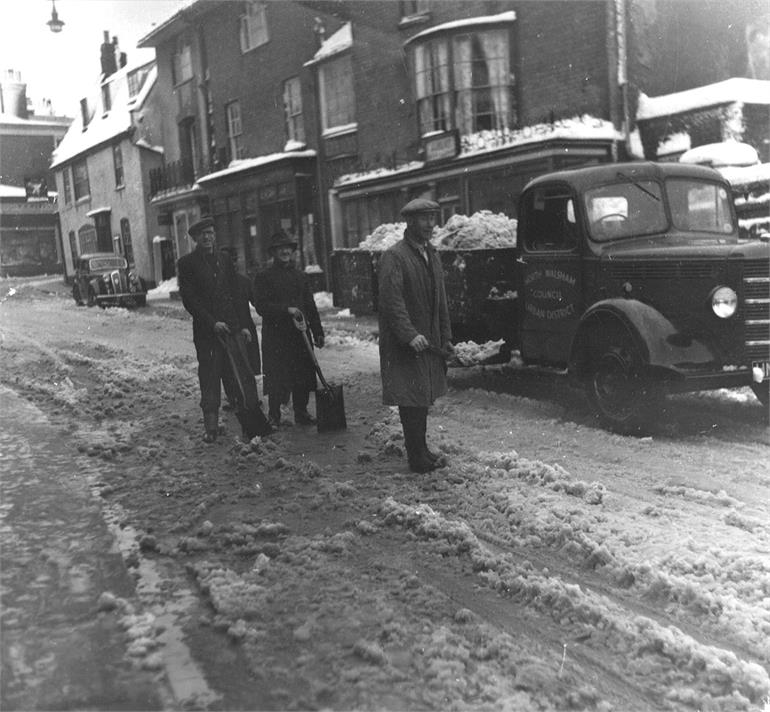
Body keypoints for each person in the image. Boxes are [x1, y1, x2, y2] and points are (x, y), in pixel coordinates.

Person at [377, 198, 452, 473]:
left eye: (433, 218)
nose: (431, 225)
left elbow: (440, 300)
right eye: (424, 219)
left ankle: (421, 449)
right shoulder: (394, 256)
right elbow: (391, 301)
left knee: (422, 396)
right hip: (405, 344)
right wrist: (409, 335)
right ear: (410, 222)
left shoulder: (431, 254)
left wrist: (446, 337)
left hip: (428, 341)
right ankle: (416, 456)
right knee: (411, 398)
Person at [177, 216, 255, 443]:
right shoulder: (187, 264)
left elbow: (235, 296)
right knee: (210, 377)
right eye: (203, 234)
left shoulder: (223, 259)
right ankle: (211, 427)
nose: (208, 237)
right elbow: (190, 301)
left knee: (237, 376)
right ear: (195, 238)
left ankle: (248, 426)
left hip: (231, 329)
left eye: (210, 233)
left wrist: (241, 327)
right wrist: (212, 323)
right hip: (206, 333)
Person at [253, 231, 324, 428]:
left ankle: (301, 412)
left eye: (288, 248)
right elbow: (261, 307)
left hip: (300, 335)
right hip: (277, 336)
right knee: (277, 376)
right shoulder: (264, 277)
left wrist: (317, 332)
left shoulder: (300, 276)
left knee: (303, 374)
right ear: (273, 252)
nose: (285, 251)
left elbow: (310, 306)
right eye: (280, 248)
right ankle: (274, 415)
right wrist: (286, 310)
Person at [218, 246, 261, 410]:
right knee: (228, 367)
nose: (231, 264)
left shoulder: (244, 282)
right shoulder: (217, 284)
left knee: (247, 367)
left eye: (233, 260)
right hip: (227, 330)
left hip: (245, 328)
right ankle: (234, 398)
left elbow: (257, 302)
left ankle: (251, 400)